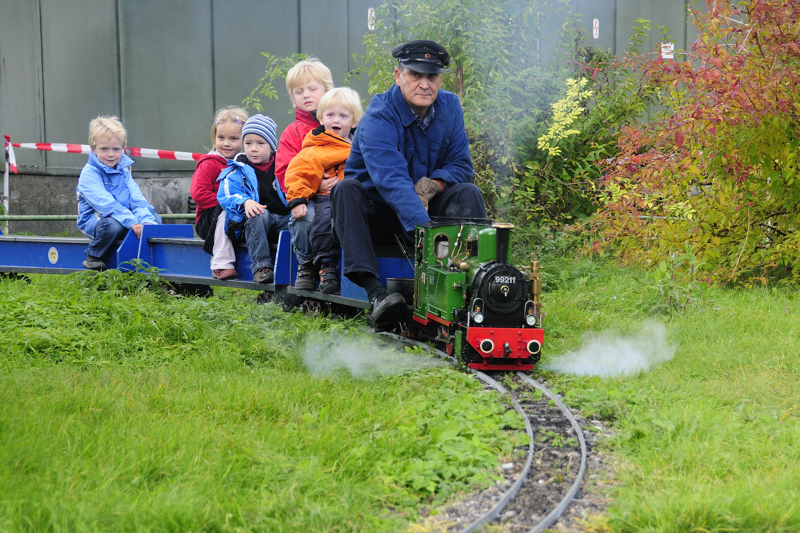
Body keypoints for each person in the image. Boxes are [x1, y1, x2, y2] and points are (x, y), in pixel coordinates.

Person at [330, 40, 487, 325]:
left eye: (432, 76)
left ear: (440, 79)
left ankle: (480, 285)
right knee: (346, 189)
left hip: (423, 208)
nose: (425, 84)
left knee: (468, 193)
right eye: (415, 75)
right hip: (377, 216)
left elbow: (461, 165)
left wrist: (435, 185)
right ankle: (376, 294)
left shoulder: (450, 106)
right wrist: (427, 236)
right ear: (398, 75)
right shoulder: (379, 115)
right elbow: (392, 181)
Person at [284, 87, 363, 293]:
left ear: (354, 121)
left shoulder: (360, 147)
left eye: (343, 116)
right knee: (308, 219)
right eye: (330, 115)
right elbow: (299, 173)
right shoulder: (317, 147)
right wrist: (298, 199)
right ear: (321, 118)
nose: (336, 120)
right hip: (320, 198)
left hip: (349, 199)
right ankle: (309, 264)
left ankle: (330, 266)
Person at [76, 116, 161, 271]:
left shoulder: (123, 171)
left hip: (124, 217)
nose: (111, 154)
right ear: (93, 149)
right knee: (112, 225)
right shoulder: (89, 173)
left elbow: (136, 199)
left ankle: (146, 257)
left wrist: (146, 221)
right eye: (104, 149)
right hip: (99, 220)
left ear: (122, 149)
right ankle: (94, 256)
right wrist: (131, 221)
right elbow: (105, 204)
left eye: (116, 149)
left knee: (155, 218)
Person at [216, 114, 287, 284]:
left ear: (272, 146)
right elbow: (225, 194)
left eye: (260, 143)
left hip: (285, 218)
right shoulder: (238, 169)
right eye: (248, 143)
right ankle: (262, 267)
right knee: (256, 214)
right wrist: (245, 201)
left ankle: (307, 267)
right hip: (259, 220)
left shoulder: (284, 165)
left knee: (305, 220)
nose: (253, 148)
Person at [189, 106, 248, 280]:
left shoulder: (245, 164)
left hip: (239, 213)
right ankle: (221, 264)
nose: (226, 143)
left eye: (233, 138)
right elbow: (198, 193)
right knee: (227, 210)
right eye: (221, 137)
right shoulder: (210, 163)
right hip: (209, 219)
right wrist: (229, 203)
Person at [274, 58, 334, 194]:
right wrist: (314, 184)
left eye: (312, 89)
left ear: (327, 90)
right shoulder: (292, 133)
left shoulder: (341, 124)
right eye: (299, 92)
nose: (306, 95)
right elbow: (285, 172)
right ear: (293, 98)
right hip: (307, 197)